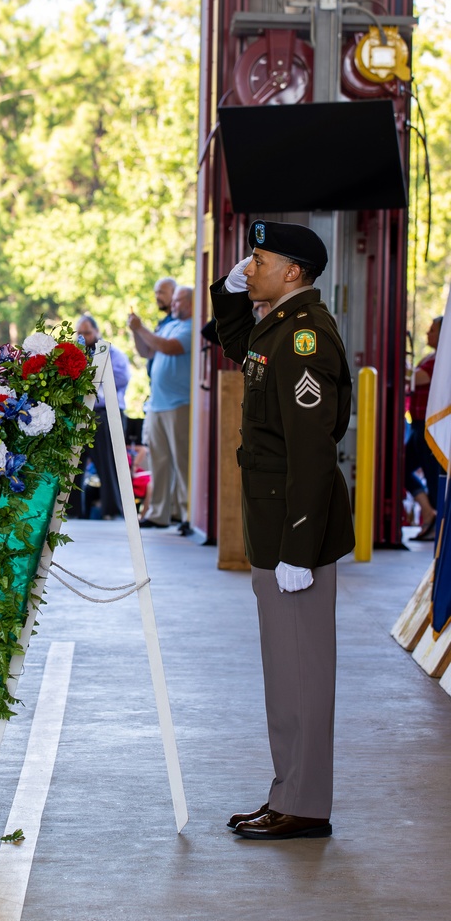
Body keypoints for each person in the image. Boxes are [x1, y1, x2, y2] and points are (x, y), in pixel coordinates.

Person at [210, 220, 354, 841]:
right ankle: (288, 792)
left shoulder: (306, 340)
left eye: (259, 259)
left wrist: (299, 546)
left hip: (298, 533)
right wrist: (229, 289)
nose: (252, 265)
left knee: (302, 673)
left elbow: (313, 452)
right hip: (275, 525)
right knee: (284, 672)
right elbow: (237, 344)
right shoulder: (277, 327)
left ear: (293, 271)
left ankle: (304, 804)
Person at [128, 284, 194, 533]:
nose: (174, 305)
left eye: (178, 301)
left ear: (191, 303)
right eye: (173, 301)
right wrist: (136, 331)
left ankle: (186, 514)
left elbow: (169, 347)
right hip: (156, 403)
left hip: (180, 403)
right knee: (158, 461)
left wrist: (141, 328)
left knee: (182, 460)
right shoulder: (167, 325)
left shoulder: (191, 326)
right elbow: (147, 350)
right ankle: (158, 514)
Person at [76, 313, 131, 519]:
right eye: (79, 334)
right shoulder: (73, 355)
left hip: (105, 415)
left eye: (87, 333)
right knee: (74, 465)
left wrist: (92, 372)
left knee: (108, 464)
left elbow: (122, 377)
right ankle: (74, 512)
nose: (83, 337)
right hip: (80, 414)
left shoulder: (112, 353)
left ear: (96, 332)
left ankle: (112, 510)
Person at [406, 317, 442, 540]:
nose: (428, 334)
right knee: (402, 468)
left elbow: (419, 379)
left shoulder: (441, 360)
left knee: (433, 474)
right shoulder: (430, 357)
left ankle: (436, 524)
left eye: (432, 330)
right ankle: (429, 513)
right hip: (418, 425)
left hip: (430, 427)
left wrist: (404, 367)